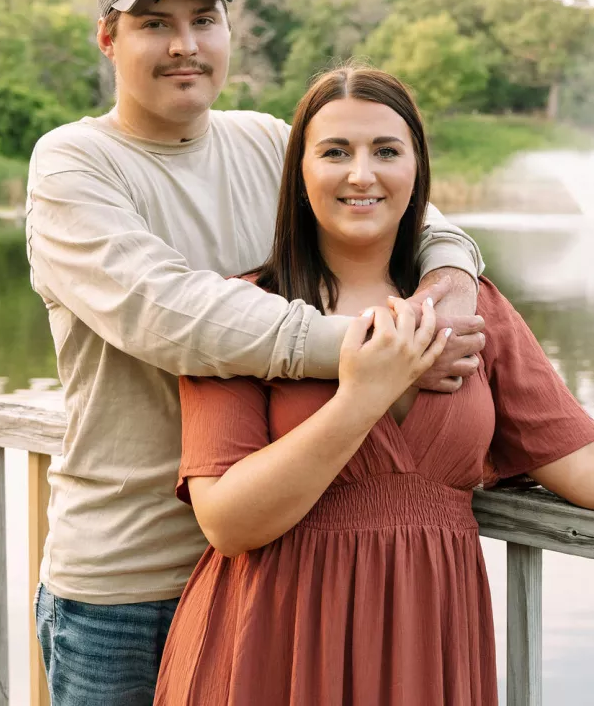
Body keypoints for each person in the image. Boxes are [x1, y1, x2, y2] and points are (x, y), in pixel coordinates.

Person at [28, 0, 484, 704]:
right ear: (108, 38)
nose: (185, 45)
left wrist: (450, 278)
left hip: (273, 577)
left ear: (229, 36)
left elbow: (406, 210)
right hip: (131, 584)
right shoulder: (73, 163)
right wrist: (377, 355)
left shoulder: (267, 141)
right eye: (154, 24)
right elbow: (182, 317)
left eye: (204, 21)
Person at [154, 65, 594, 706]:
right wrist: (363, 395)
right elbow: (227, 523)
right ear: (301, 174)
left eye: (386, 151)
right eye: (335, 152)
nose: (362, 174)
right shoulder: (244, 315)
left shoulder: (476, 314)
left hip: (429, 644)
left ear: (417, 170)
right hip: (275, 643)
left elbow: (578, 463)